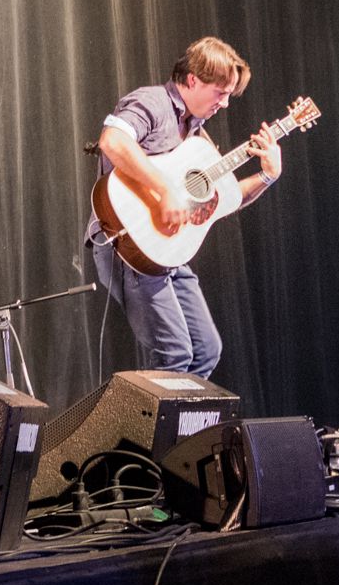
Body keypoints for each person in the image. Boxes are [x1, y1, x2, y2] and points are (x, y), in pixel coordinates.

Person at [86, 36, 282, 380]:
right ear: (193, 79)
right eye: (220, 93)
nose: (224, 104)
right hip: (129, 245)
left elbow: (227, 199)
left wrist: (267, 176)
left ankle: (183, 435)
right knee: (175, 355)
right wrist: (164, 190)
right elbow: (112, 141)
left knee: (206, 351)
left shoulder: (195, 135)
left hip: (168, 253)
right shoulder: (152, 103)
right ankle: (140, 436)